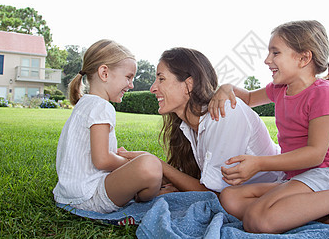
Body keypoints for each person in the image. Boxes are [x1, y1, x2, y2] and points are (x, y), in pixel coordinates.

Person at [208, 20, 329, 234]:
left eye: (275, 53)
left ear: (304, 58)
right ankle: (323, 219)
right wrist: (225, 88)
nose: (267, 60)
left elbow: (315, 155)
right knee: (231, 197)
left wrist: (258, 164)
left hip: (327, 172)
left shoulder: (323, 93)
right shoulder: (279, 89)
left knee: (257, 220)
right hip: (297, 177)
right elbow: (247, 97)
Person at [142, 47, 284, 194]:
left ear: (188, 85)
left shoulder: (223, 113)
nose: (153, 88)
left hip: (279, 189)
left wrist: (157, 164)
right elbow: (201, 181)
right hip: (247, 195)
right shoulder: (187, 126)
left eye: (161, 79)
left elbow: (214, 193)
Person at [53, 39, 162, 213]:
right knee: (151, 165)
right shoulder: (102, 106)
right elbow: (102, 160)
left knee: (145, 165)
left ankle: (145, 186)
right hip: (89, 196)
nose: (131, 85)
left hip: (69, 194)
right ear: (104, 73)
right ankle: (142, 196)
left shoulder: (85, 103)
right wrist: (129, 163)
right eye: (128, 77)